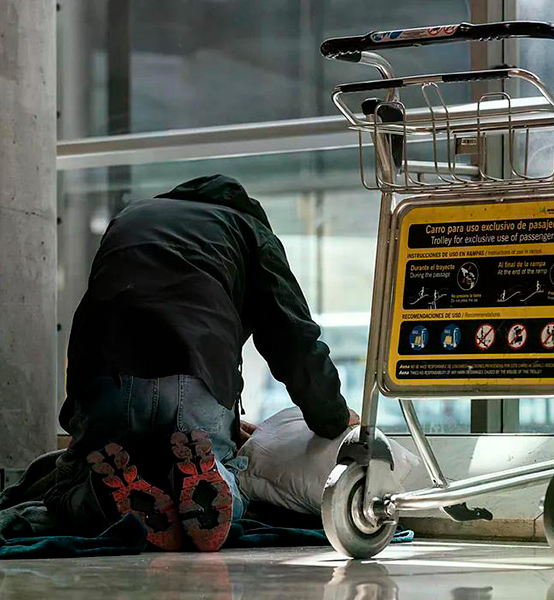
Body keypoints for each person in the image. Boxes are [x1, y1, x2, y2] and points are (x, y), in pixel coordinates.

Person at [46, 174, 356, 552]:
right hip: (198, 376)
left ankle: (102, 497)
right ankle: (212, 477)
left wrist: (80, 418)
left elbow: (100, 309)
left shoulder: (130, 217)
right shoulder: (248, 230)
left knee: (69, 483)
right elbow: (291, 336)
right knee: (226, 468)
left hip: (105, 379)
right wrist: (333, 418)